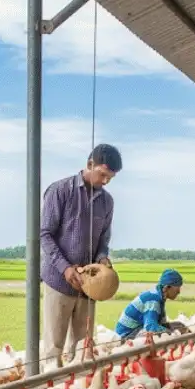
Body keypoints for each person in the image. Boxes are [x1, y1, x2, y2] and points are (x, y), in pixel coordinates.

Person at [40, 143, 122, 362]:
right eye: (103, 174)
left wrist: (103, 259)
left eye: (110, 178)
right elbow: (45, 235)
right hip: (59, 280)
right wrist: (66, 269)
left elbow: (104, 239)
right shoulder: (60, 191)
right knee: (54, 348)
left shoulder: (107, 201)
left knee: (83, 347)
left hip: (89, 285)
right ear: (89, 164)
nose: (105, 181)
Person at [115, 268, 184, 340]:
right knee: (160, 335)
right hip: (125, 336)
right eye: (177, 288)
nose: (179, 292)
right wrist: (173, 334)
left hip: (136, 330)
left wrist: (176, 326)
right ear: (167, 288)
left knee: (177, 326)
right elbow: (150, 327)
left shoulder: (159, 297)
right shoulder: (153, 299)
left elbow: (161, 324)